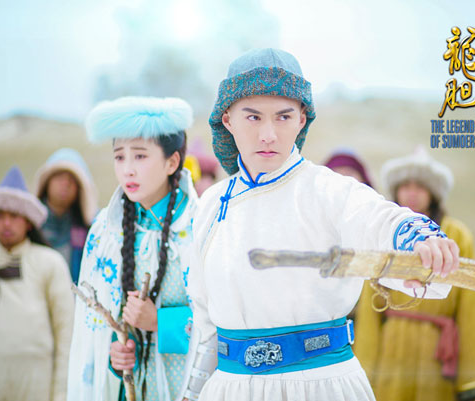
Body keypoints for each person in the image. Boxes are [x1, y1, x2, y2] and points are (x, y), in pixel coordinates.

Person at [183, 48, 460, 401]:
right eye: (253, 117)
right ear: (228, 120)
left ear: (302, 119)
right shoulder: (210, 205)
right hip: (230, 389)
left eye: (283, 117)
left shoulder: (329, 191)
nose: (268, 134)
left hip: (320, 385)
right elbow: (204, 322)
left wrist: (419, 238)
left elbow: (377, 219)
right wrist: (191, 392)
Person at [67, 96, 199, 401]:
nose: (127, 170)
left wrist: (160, 322)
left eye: (139, 156)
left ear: (172, 162)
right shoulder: (107, 232)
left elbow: (224, 320)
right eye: (119, 157)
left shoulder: (200, 226)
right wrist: (118, 355)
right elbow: (95, 330)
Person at [353, 148, 475, 401]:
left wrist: (474, 381)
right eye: (405, 186)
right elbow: (370, 304)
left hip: (438, 348)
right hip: (392, 347)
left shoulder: (456, 235)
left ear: (433, 193)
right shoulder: (383, 237)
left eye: (420, 186)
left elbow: (470, 307)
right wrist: (364, 372)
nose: (412, 192)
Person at [0, 166, 74, 401]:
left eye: (14, 216)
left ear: (28, 222)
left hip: (36, 381)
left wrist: (61, 393)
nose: (6, 224)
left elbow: (65, 332)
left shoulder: (50, 263)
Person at [34, 147, 99, 283]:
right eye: (59, 177)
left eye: (72, 180)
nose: (65, 184)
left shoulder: (92, 229)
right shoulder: (30, 226)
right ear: (47, 182)